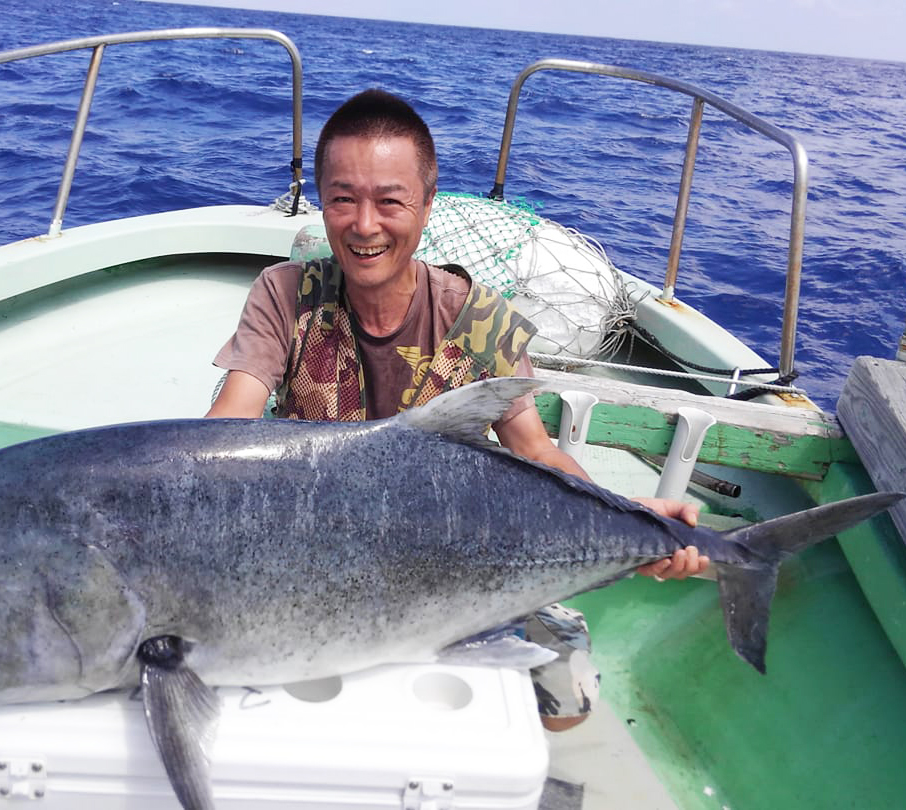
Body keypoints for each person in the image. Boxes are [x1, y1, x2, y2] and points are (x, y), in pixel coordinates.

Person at [207, 88, 708, 731]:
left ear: (426, 208)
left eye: (390, 201)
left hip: (457, 548)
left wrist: (635, 518)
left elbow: (534, 450)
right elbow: (228, 424)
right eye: (343, 199)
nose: (365, 225)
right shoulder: (286, 295)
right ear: (324, 202)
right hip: (314, 544)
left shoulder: (480, 318)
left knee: (567, 701)